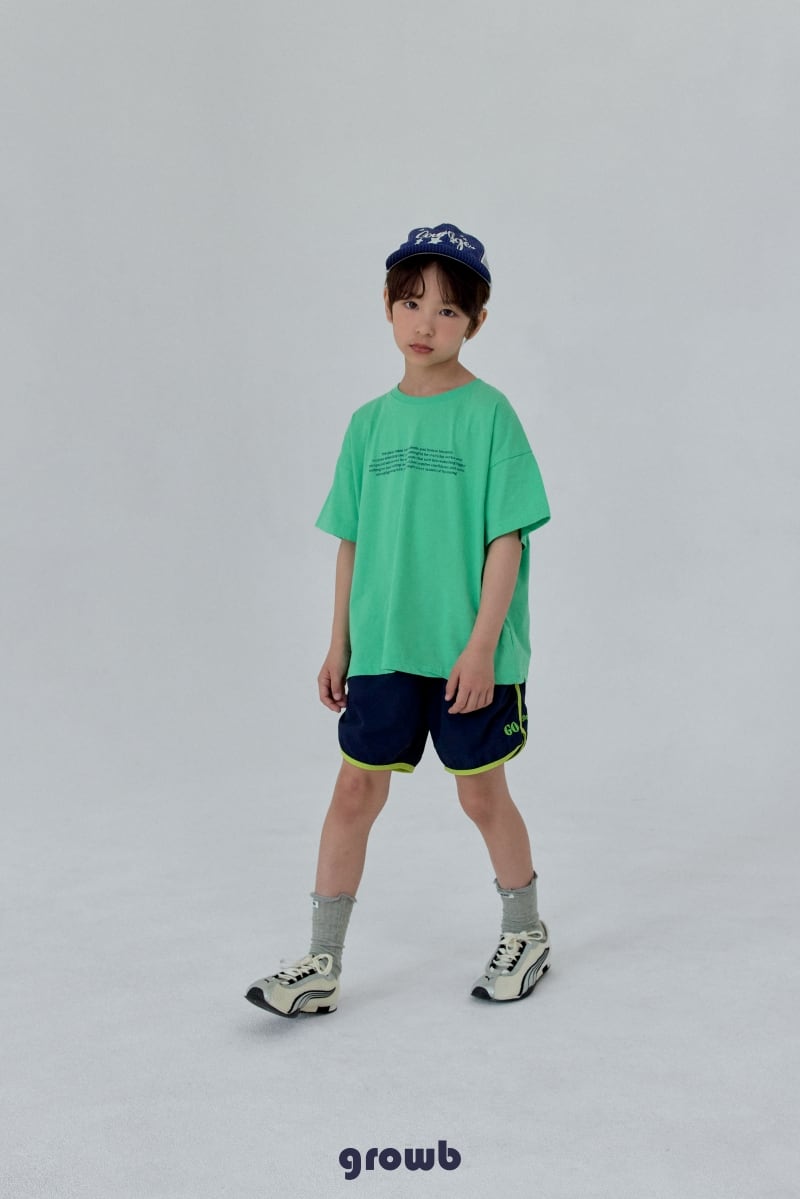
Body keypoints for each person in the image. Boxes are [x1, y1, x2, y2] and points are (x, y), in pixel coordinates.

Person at [245, 224, 551, 1017]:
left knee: (481, 796)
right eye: (412, 304)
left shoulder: (490, 414)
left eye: (448, 311)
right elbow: (352, 540)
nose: (426, 324)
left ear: (476, 322)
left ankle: (526, 929)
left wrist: (482, 646)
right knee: (354, 791)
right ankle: (321, 960)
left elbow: (508, 540)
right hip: (383, 648)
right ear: (387, 306)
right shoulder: (368, 424)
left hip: (467, 654)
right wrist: (339, 642)